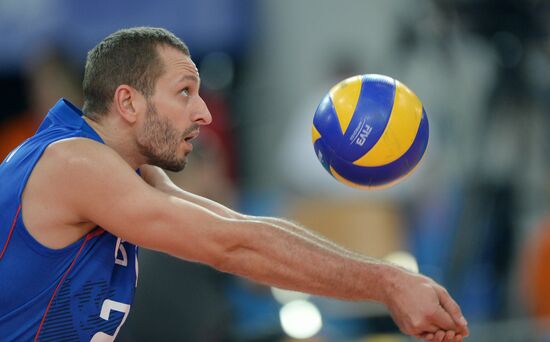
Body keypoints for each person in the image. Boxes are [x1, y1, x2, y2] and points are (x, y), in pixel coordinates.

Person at [0, 27, 468, 342]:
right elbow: (233, 247)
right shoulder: (73, 161)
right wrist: (387, 283)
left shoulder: (130, 170)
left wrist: (396, 279)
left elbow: (243, 228)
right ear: (128, 102)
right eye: (185, 91)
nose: (204, 113)